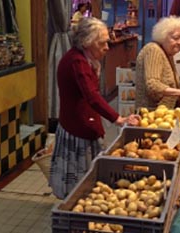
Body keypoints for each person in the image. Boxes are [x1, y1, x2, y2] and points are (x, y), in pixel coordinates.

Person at [49, 17, 139, 199]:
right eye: (103, 43)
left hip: (77, 121)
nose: (107, 47)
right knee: (82, 177)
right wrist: (118, 119)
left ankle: (78, 201)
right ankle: (76, 204)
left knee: (87, 175)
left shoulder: (82, 57)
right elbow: (92, 96)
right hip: (78, 126)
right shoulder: (77, 62)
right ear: (87, 42)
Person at [135, 15, 180, 109]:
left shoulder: (168, 54)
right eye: (176, 38)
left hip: (164, 114)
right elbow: (153, 85)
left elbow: (171, 88)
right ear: (162, 36)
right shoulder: (153, 50)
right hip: (151, 115)